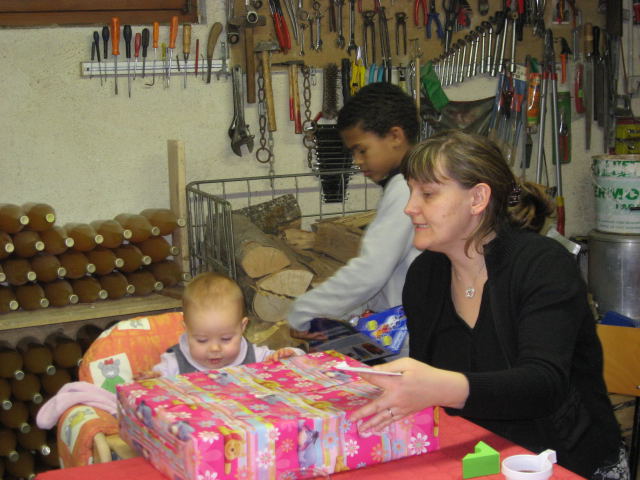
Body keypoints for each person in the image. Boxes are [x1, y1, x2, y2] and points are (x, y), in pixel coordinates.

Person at [351, 131, 628, 480]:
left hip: (561, 461)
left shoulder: (543, 265)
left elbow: (543, 385)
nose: (410, 207)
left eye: (428, 194)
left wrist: (439, 387)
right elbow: (427, 383)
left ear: (478, 198)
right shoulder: (426, 275)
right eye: (410, 192)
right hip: (474, 453)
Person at [288, 83, 421, 340]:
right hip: (399, 325)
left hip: (406, 335)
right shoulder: (410, 181)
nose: (357, 161)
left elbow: (371, 271)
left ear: (395, 136)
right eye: (353, 153)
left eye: (362, 150)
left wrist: (303, 311)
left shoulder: (405, 188)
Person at [152, 272, 303, 377]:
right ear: (187, 330)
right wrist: (151, 379)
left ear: (242, 327)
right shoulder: (175, 363)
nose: (215, 348)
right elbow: (154, 384)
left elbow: (295, 363)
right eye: (202, 340)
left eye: (226, 339)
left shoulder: (254, 356)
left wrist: (288, 355)